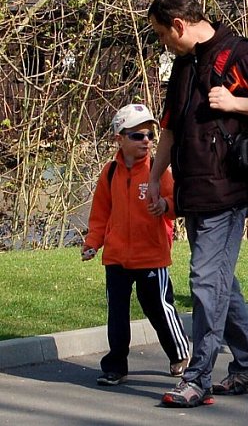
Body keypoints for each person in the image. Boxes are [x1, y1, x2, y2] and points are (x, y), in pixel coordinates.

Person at [147, 0, 248, 407]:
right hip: (193, 189)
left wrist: (236, 103)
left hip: (229, 188)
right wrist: (154, 177)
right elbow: (171, 129)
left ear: (179, 24)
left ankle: (197, 377)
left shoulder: (239, 54)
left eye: (162, 34)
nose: (163, 42)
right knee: (218, 283)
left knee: (204, 282)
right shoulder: (183, 66)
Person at [82, 103, 190, 386]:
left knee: (158, 307)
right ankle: (115, 365)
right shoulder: (109, 173)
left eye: (150, 136)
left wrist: (165, 205)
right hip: (116, 256)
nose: (146, 141)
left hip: (151, 255)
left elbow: (178, 201)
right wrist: (93, 243)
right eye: (137, 136)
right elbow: (100, 213)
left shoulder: (158, 169)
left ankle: (179, 353)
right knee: (117, 313)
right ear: (119, 138)